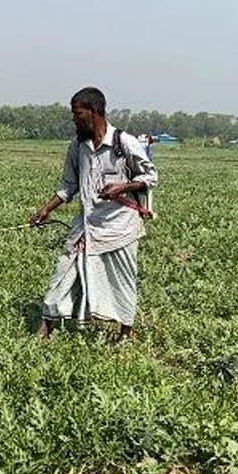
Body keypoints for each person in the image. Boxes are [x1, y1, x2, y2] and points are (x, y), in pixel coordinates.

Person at [30, 87, 158, 342]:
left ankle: (125, 333)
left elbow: (150, 177)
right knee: (63, 271)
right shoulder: (77, 146)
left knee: (122, 281)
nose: (73, 119)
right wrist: (46, 209)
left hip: (120, 227)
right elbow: (69, 186)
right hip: (87, 225)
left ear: (94, 112)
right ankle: (45, 327)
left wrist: (123, 186)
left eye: (77, 114)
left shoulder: (125, 143)